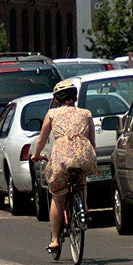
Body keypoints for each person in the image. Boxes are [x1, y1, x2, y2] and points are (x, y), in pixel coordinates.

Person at [32, 80, 96, 256]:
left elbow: (42, 139)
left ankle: (54, 240)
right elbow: (92, 140)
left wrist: (36, 155)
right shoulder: (86, 113)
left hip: (62, 158)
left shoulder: (52, 114)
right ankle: (83, 209)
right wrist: (89, 156)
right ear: (74, 97)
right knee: (81, 180)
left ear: (57, 98)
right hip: (84, 154)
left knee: (57, 195)